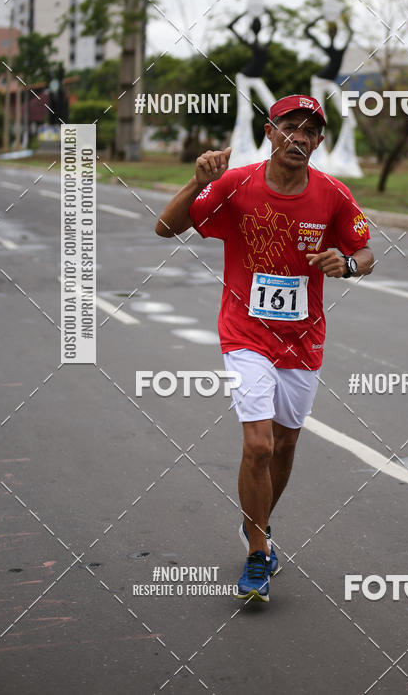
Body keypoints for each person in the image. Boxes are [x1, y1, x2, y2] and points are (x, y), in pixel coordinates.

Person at [155, 94, 374, 603]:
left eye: (310, 131)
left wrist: (350, 264)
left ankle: (260, 522)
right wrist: (197, 181)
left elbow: (365, 249)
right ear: (271, 131)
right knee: (258, 444)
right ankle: (257, 550)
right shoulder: (236, 185)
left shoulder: (333, 196)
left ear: (319, 141)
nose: (299, 137)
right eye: (289, 127)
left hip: (303, 339)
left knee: (286, 444)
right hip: (245, 332)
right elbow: (166, 226)